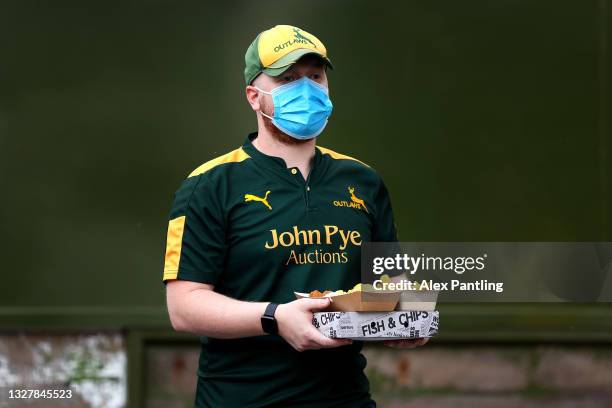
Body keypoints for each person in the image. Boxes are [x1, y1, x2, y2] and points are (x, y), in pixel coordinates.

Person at [162, 24, 427, 408]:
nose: (306, 89)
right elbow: (184, 307)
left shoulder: (362, 180)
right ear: (254, 96)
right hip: (241, 400)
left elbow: (392, 280)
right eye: (288, 78)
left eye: (315, 76)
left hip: (345, 398)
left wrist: (407, 315)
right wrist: (275, 317)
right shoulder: (209, 185)